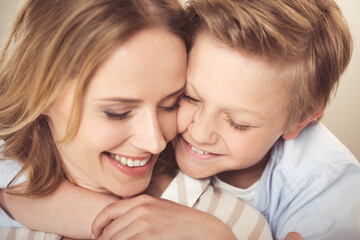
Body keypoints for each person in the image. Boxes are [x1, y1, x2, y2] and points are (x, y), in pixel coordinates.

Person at [0, 0, 272, 239]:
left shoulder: (233, 225)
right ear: (41, 95)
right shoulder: (10, 206)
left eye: (171, 104)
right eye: (117, 113)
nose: (154, 142)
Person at [166, 0, 359, 239]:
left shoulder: (328, 191)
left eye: (238, 122)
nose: (199, 133)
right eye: (189, 97)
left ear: (299, 121)